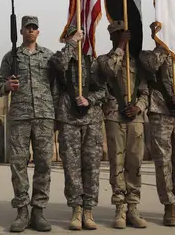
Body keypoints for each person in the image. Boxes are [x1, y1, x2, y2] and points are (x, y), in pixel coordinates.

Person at [0, 15, 56, 233]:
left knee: (44, 164)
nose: (31, 31)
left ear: (38, 32)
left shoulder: (48, 56)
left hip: (44, 116)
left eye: (34, 28)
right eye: (27, 28)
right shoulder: (11, 57)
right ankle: (22, 211)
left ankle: (38, 211)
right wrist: (7, 86)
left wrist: (55, 115)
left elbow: (56, 86)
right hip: (20, 116)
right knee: (18, 165)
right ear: (21, 32)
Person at [49, 25, 108, 230]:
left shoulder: (92, 63)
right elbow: (58, 64)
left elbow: (104, 92)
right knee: (72, 168)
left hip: (91, 120)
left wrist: (89, 99)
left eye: (79, 36)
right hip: (68, 118)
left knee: (91, 166)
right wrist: (72, 42)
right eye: (72, 37)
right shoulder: (61, 59)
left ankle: (89, 210)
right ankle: (76, 210)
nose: (76, 39)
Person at [139, 22, 175, 226]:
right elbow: (152, 66)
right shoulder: (148, 55)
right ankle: (169, 207)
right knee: (163, 162)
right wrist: (160, 46)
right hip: (159, 113)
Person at [97, 20, 149, 229]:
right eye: (117, 35)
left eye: (124, 34)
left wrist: (139, 107)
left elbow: (146, 91)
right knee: (117, 164)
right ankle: (119, 207)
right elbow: (109, 71)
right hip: (114, 117)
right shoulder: (104, 60)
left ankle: (133, 207)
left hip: (135, 119)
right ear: (112, 37)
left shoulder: (137, 64)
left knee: (135, 162)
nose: (122, 37)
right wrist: (120, 48)